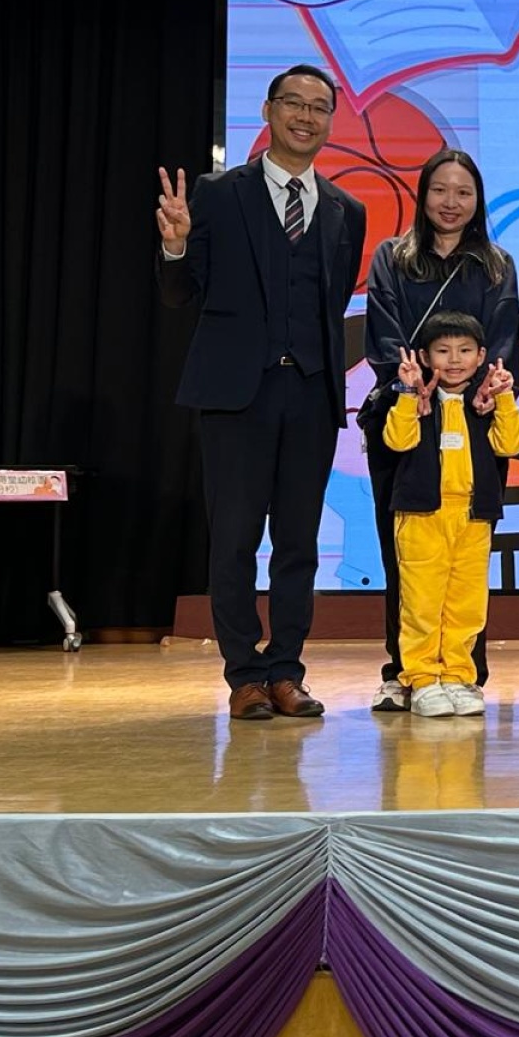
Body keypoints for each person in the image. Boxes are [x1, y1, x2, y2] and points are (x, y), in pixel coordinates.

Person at [156, 63, 367, 721]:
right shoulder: (219, 194)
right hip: (235, 394)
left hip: (310, 395)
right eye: (293, 103)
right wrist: (175, 248)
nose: (306, 116)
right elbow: (180, 293)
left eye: (319, 107)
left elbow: (331, 302)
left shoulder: (346, 210)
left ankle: (286, 671)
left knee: (300, 544)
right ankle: (244, 674)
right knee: (235, 540)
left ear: (331, 121)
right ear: (269, 111)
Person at [363, 149, 519, 713]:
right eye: (440, 190)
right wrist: (414, 387)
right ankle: (404, 671)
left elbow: (503, 339)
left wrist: (482, 391)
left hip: (476, 415)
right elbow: (383, 331)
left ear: (478, 200)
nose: (451, 203)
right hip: (408, 412)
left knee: (466, 560)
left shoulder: (496, 265)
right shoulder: (393, 257)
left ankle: (464, 671)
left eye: (463, 192)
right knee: (407, 554)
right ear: (422, 194)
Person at [381, 314, 519, 717]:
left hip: (473, 518)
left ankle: (459, 676)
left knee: (466, 604)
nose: (455, 360)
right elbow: (397, 440)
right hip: (422, 516)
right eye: (443, 351)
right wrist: (407, 395)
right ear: (426, 358)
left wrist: (506, 399)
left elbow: (511, 444)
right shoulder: (415, 401)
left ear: (481, 356)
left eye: (464, 351)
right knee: (422, 604)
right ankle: (423, 679)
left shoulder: (485, 403)